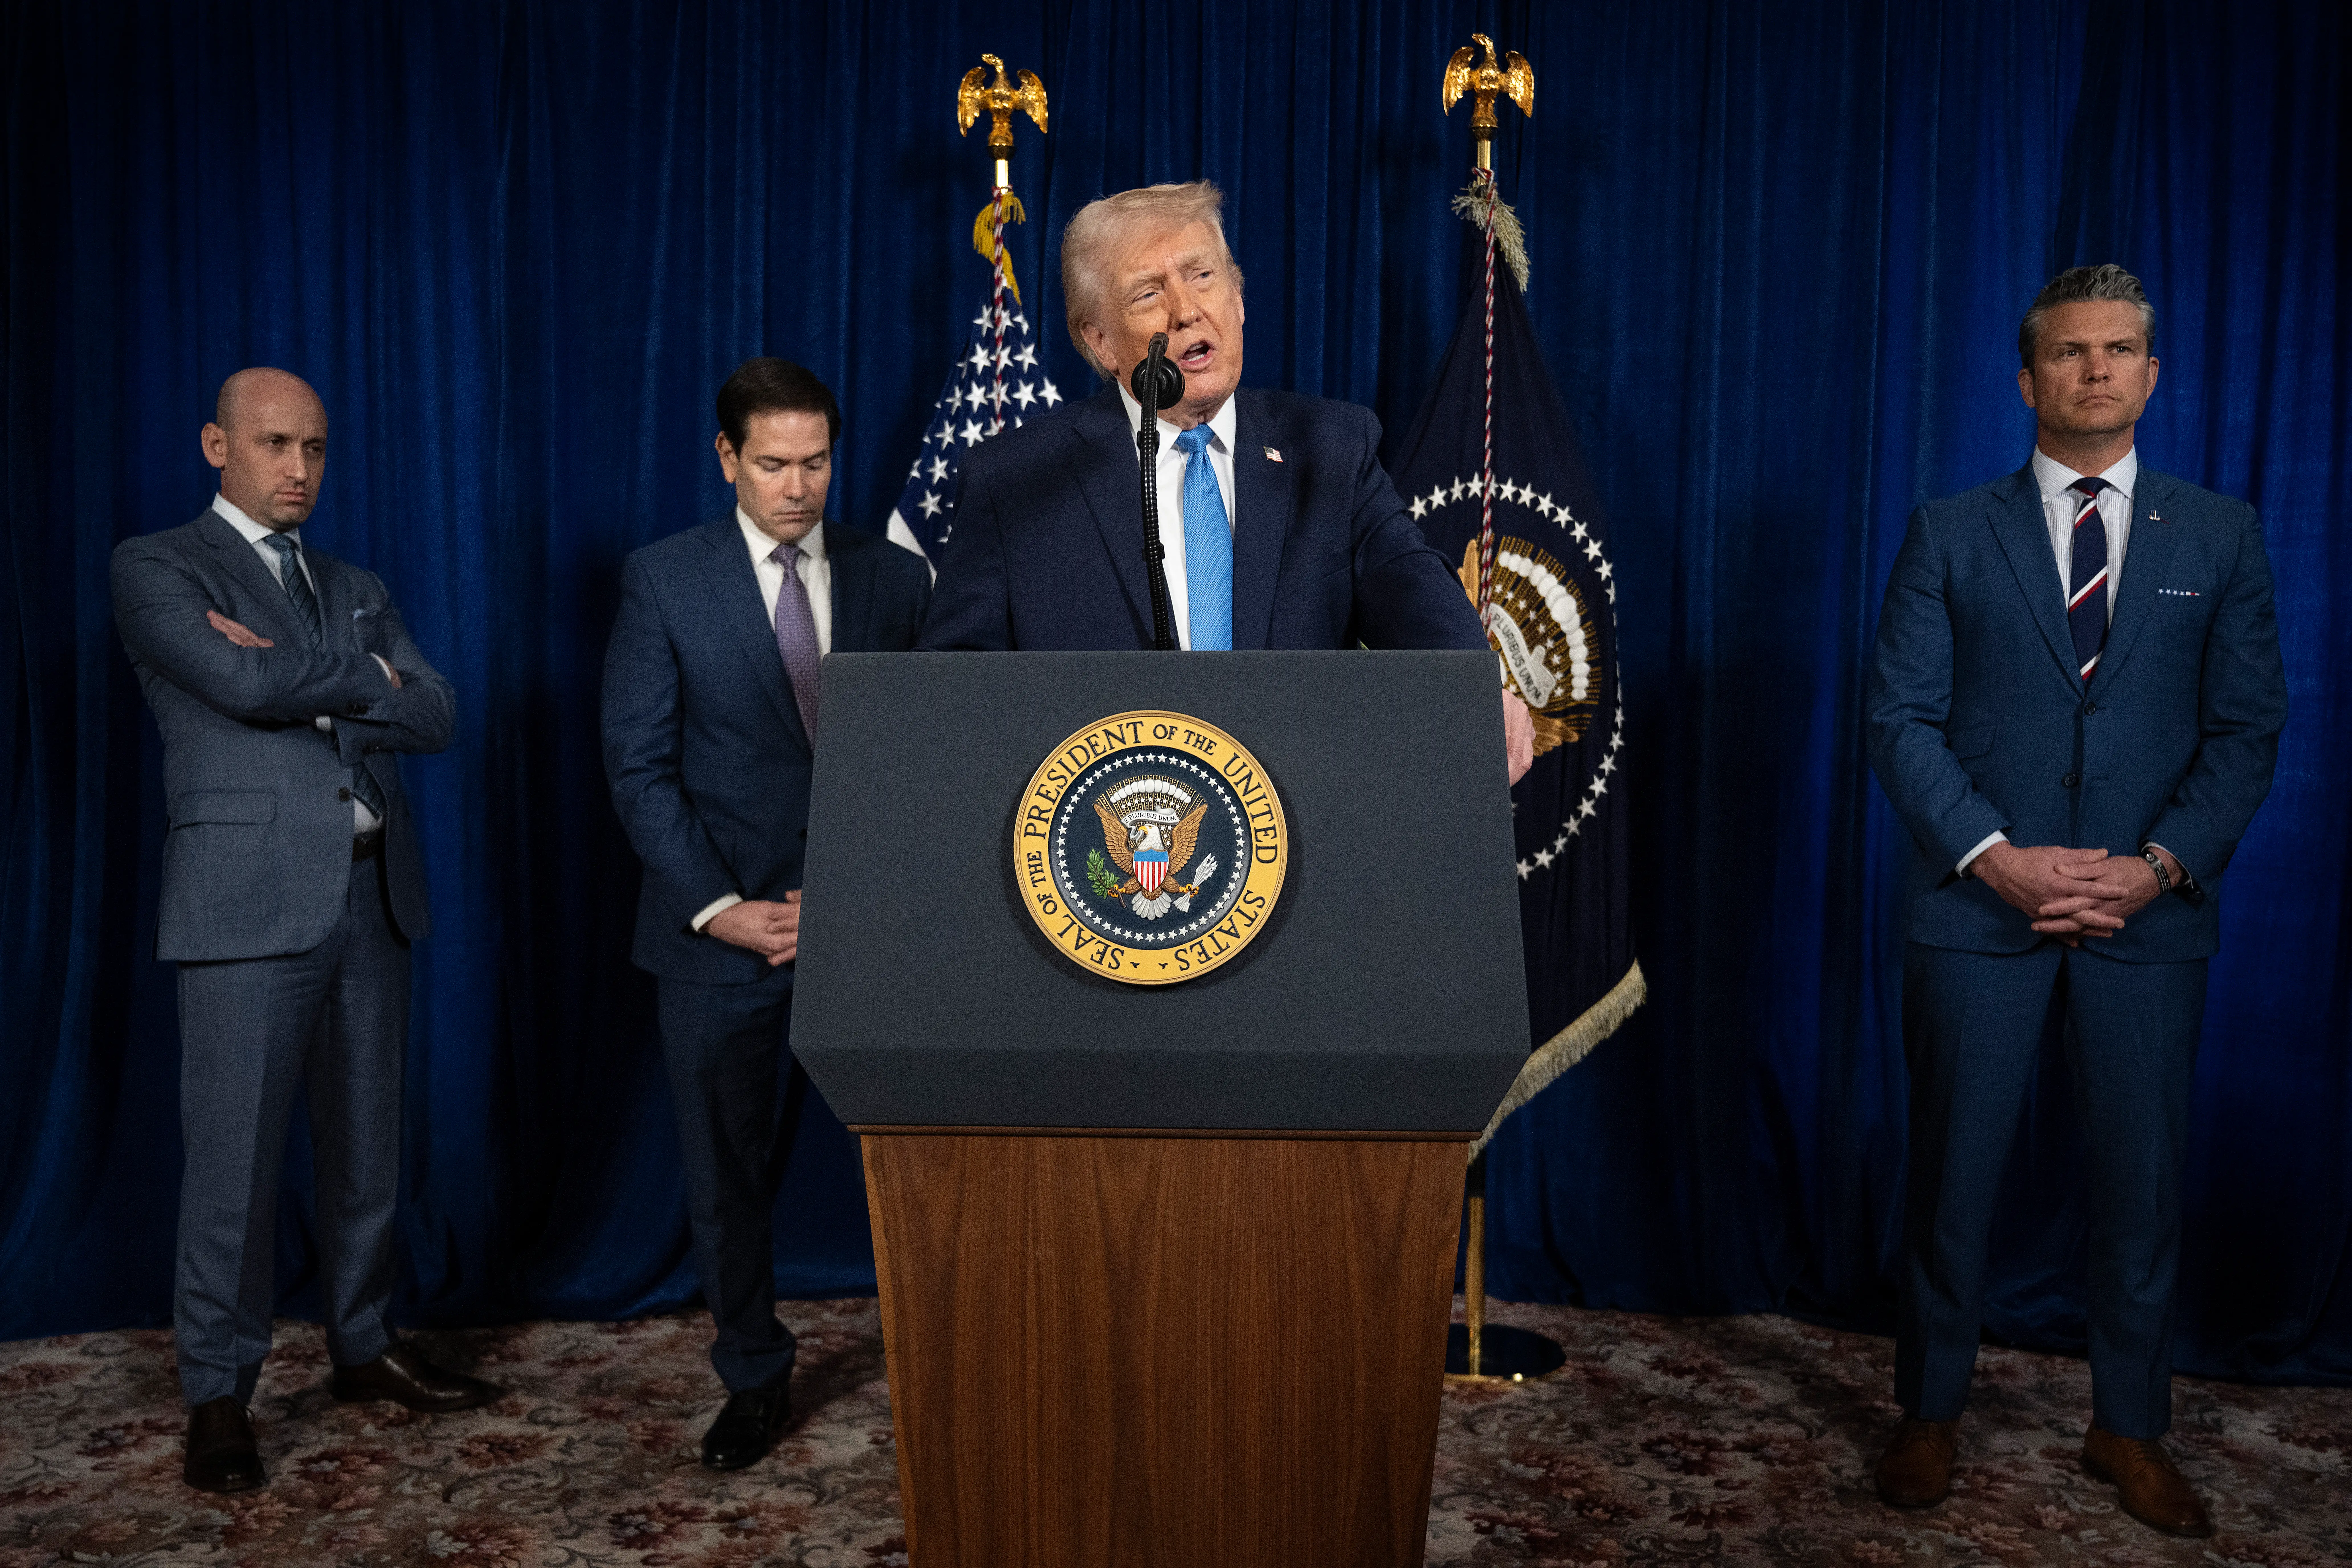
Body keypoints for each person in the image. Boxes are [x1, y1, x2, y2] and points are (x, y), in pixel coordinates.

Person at [1864, 266, 2287, 1537]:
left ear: (2151, 374)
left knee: (2141, 1188)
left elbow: (2248, 728)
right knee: (1951, 1178)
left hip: (2146, 921)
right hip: (1976, 914)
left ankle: (2129, 1426)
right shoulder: (1949, 530)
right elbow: (1899, 718)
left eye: (2117, 350)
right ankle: (1929, 1409)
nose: (2094, 369)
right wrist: (1996, 857)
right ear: (2025, 378)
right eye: (2068, 351)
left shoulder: (2220, 535)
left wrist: (2153, 869)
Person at [110, 368, 497, 1495]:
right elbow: (233, 681)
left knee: (367, 1146)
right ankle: (218, 1390)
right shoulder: (158, 565)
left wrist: (310, 679)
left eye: (315, 448)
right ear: (216, 446)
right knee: (232, 1162)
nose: (299, 468)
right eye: (276, 444)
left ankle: (362, 1342)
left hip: (372, 896)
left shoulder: (354, 581)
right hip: (248, 900)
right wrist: (362, 678)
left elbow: (436, 709)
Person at [918, 180, 1535, 784]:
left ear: (1238, 299)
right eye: (1148, 294)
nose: (1187, 311)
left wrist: (1476, 690)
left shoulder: (1332, 452)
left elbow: (1420, 603)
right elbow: (949, 699)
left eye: (1203, 276)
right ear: (1100, 341)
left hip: (1293, 818)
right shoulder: (1017, 483)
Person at [601, 358, 932, 1470]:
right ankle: (753, 1372)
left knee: (921, 1158)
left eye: (818, 462)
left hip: (870, 931)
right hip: (723, 939)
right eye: (776, 464)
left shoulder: (896, 577)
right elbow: (639, 767)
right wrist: (720, 909)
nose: (799, 487)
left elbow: (924, 760)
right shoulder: (663, 580)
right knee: (725, 1176)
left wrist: (863, 897)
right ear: (727, 458)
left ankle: (946, 1350)